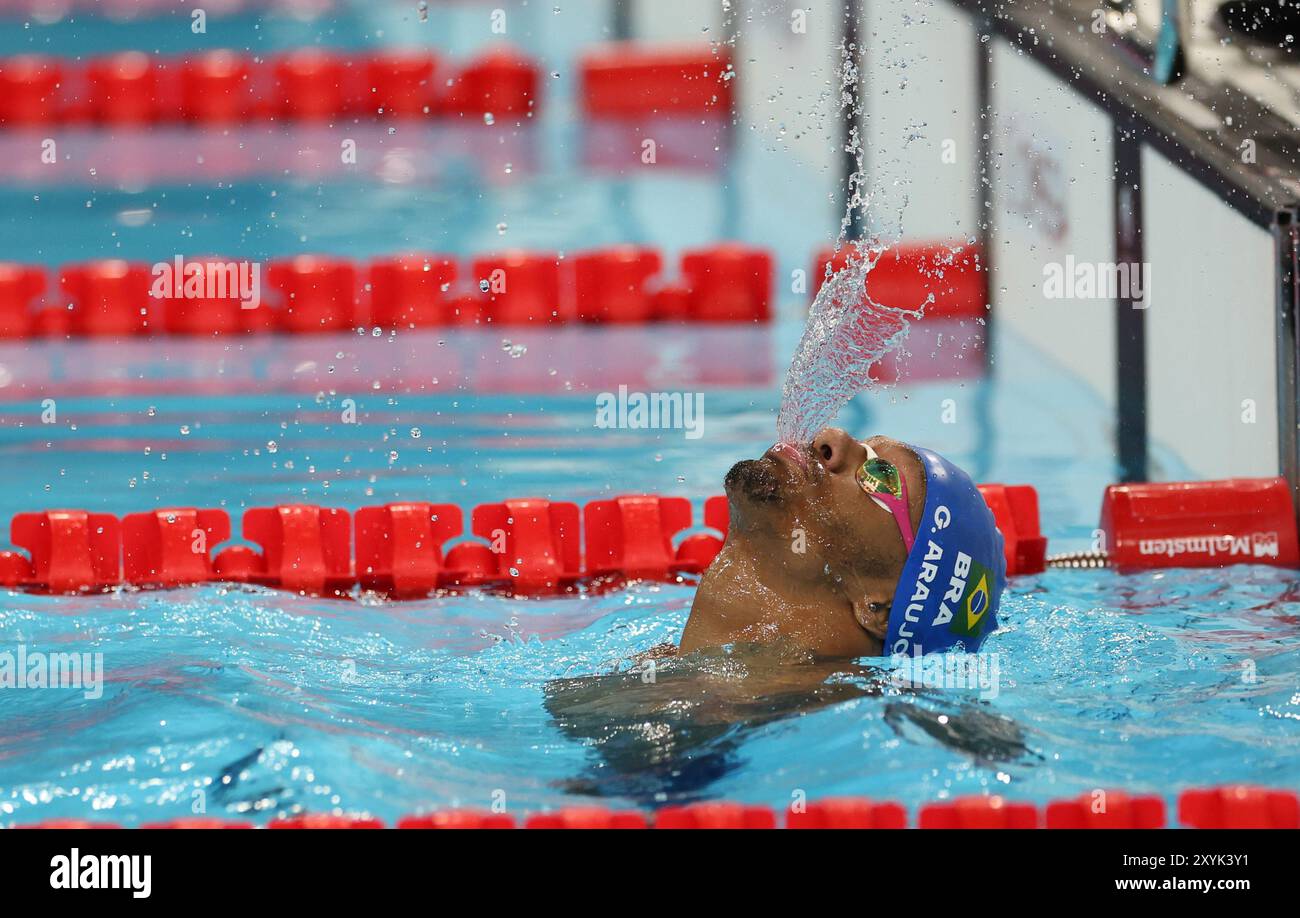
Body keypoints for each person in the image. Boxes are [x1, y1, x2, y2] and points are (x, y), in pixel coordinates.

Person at [680, 427, 1007, 659]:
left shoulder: (708, 725)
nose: (831, 436)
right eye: (865, 444)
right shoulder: (684, 684)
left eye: (880, 475)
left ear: (878, 608)